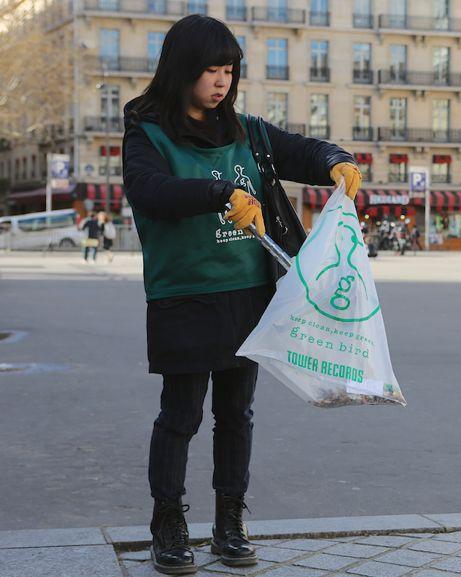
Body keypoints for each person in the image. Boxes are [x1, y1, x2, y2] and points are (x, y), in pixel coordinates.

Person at [122, 15, 361, 575]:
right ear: (183, 70)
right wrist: (219, 192)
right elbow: (150, 191)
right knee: (180, 415)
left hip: (248, 292)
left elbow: (299, 150)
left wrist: (335, 161)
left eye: (228, 70)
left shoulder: (246, 131)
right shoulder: (147, 131)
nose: (221, 81)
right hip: (183, 292)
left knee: (236, 413)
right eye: (210, 70)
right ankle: (169, 524)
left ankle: (230, 521)